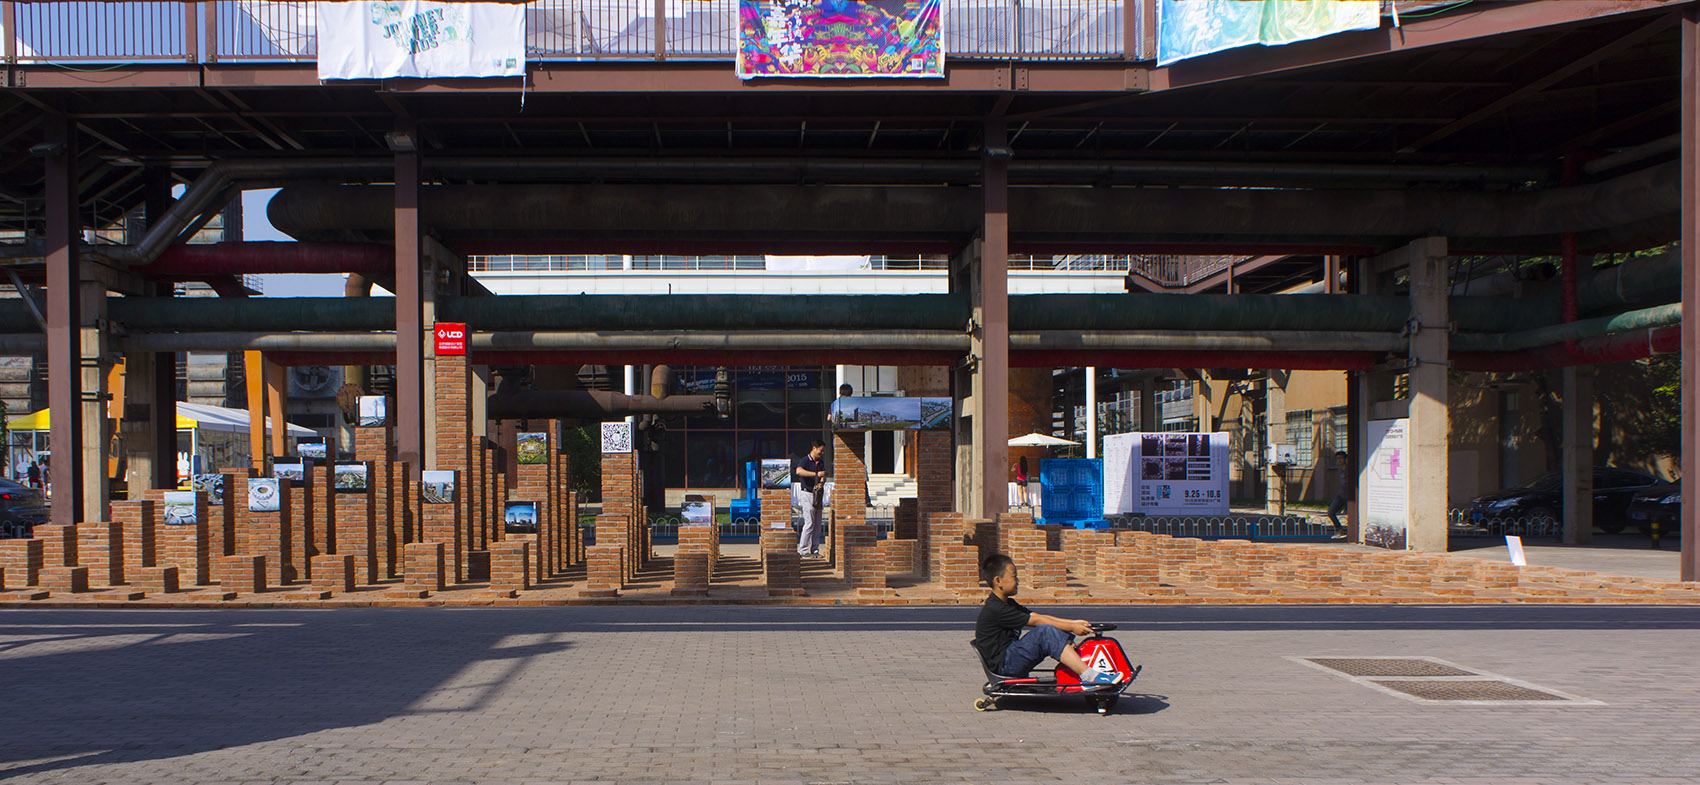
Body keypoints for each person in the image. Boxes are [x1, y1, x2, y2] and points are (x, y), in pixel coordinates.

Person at [973, 553, 1123, 684]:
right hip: (1004, 665)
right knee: (1044, 632)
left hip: (1009, 657)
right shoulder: (996, 609)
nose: (1018, 581)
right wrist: (1071, 628)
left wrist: (1073, 623)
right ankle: (1089, 675)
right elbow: (1038, 622)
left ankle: (1081, 665)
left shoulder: (1007, 603)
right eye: (1014, 577)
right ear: (998, 581)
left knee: (1047, 631)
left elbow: (1037, 616)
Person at [793, 439, 827, 557]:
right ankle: (802, 549)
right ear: (814, 448)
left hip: (817, 494)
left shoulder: (820, 462)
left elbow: (823, 475)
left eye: (823, 451)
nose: (821, 453)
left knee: (817, 523)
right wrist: (815, 475)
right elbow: (799, 471)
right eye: (820, 451)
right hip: (807, 493)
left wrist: (821, 482)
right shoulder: (805, 461)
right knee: (809, 522)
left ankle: (815, 549)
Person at [1327, 449, 1354, 540]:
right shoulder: (1339, 469)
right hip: (1341, 494)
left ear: (1345, 459)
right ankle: (1339, 529)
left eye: (1341, 458)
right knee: (1331, 512)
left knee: (1351, 514)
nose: (1339, 460)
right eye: (1338, 458)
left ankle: (1353, 533)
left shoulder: (1349, 469)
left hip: (1350, 495)